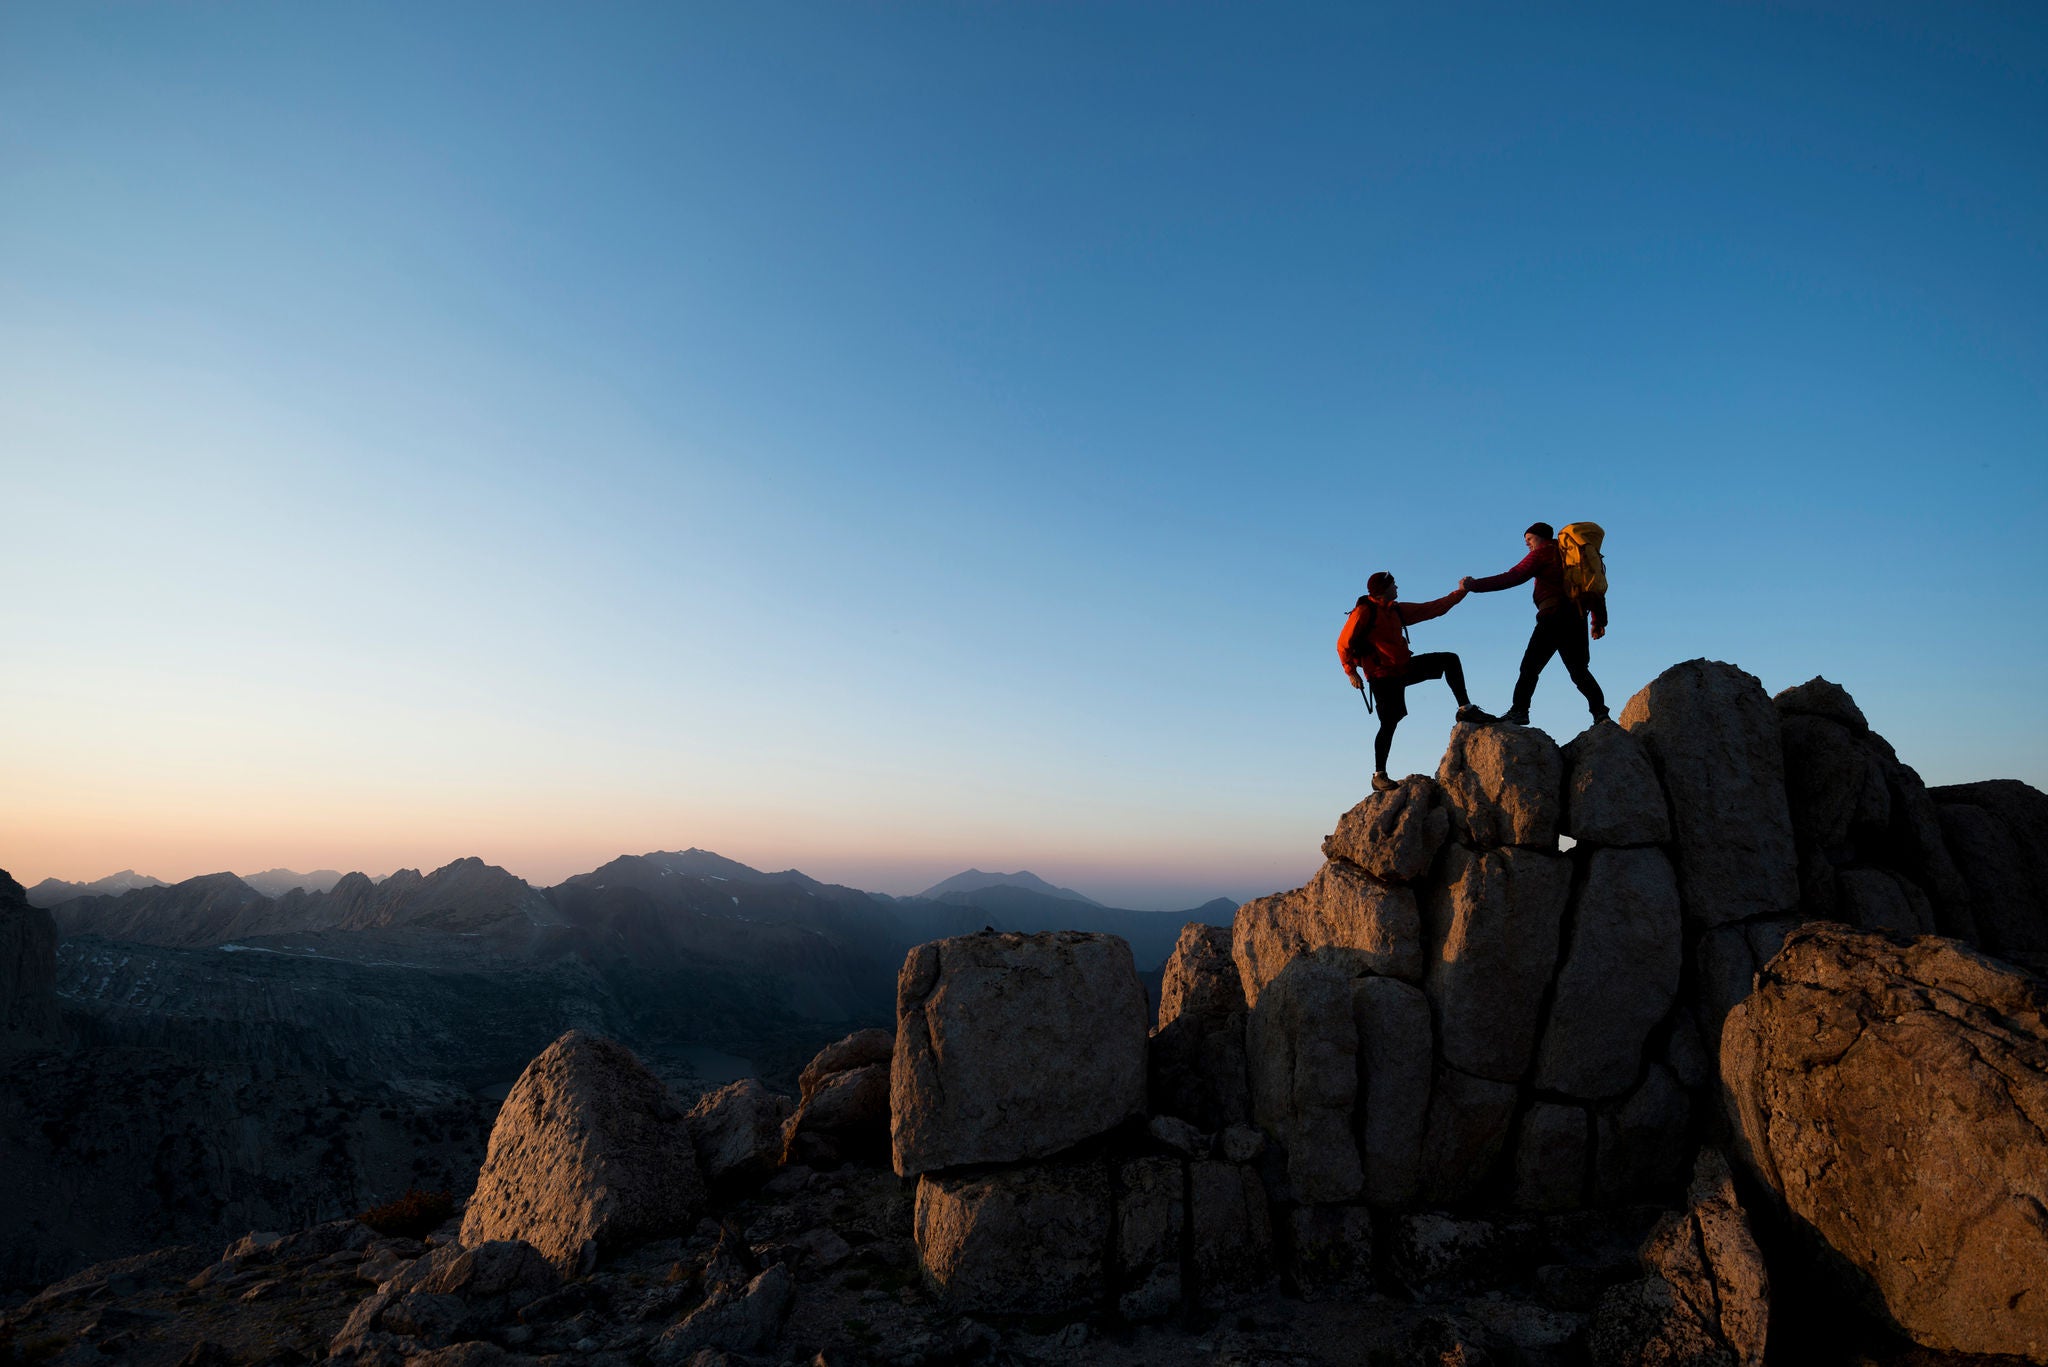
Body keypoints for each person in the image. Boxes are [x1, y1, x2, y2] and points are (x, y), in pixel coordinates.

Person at [1339, 571, 1496, 792]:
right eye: (1393, 584)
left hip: (1402, 667)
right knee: (1389, 722)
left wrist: (1461, 592)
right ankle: (1379, 775)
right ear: (1383, 589)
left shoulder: (1396, 610)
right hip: (1381, 675)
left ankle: (1466, 709)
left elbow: (1432, 608)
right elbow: (1343, 643)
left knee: (1449, 660)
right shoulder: (1364, 612)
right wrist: (1351, 672)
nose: (1397, 587)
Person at [1460, 522, 1609, 726]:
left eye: (1529, 539)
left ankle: (1519, 711)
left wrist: (1473, 585)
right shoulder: (1572, 556)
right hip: (1577, 618)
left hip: (1553, 617)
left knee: (1530, 667)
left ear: (1541, 537)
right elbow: (1593, 587)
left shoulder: (1543, 553)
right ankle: (1600, 713)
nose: (1528, 544)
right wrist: (1597, 620)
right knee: (1579, 671)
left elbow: (1512, 576)